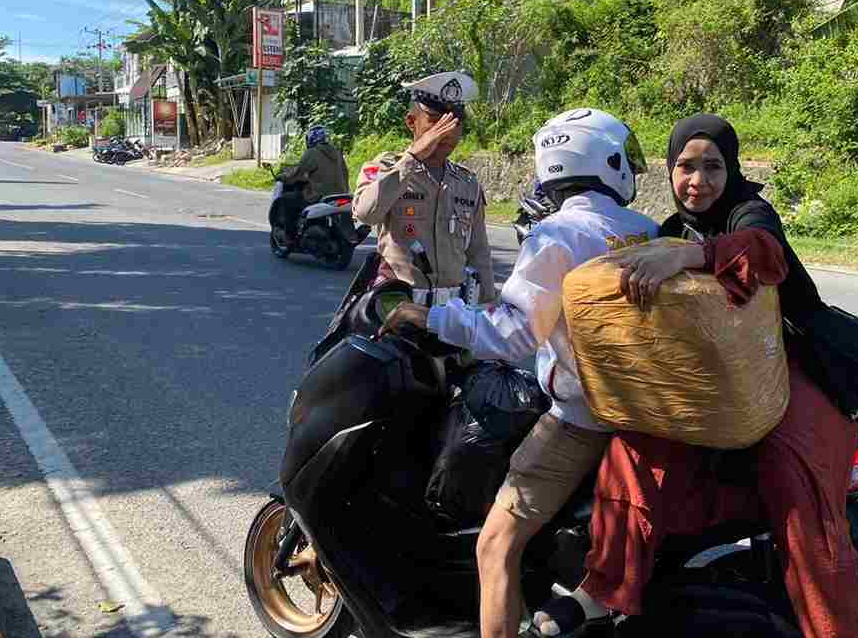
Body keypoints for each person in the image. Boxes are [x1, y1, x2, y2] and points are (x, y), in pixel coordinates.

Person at [531, 113, 858, 638]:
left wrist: (695, 256)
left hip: (791, 368)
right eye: (686, 167)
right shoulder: (669, 232)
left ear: (731, 169)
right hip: (716, 381)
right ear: (669, 170)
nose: (698, 181)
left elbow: (763, 251)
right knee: (632, 449)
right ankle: (602, 589)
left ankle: (837, 629)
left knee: (797, 488)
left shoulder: (747, 212)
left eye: (712, 167)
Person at [379, 108, 658, 638]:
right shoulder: (643, 230)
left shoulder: (558, 234)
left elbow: (513, 335)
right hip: (645, 413)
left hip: (582, 421)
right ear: (605, 161)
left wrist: (431, 317)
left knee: (494, 543)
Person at [353, 71, 496, 304]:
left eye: (454, 122)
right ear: (412, 122)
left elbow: (478, 253)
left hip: (452, 311)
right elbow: (365, 213)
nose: (447, 131)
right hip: (398, 307)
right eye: (435, 120)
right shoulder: (386, 168)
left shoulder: (467, 183)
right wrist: (412, 158)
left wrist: (488, 306)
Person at [277, 124, 349, 238]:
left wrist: (284, 178)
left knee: (287, 200)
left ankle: (290, 236)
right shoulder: (337, 152)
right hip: (341, 194)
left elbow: (298, 173)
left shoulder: (312, 152)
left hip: (320, 195)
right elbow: (345, 173)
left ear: (311, 139)